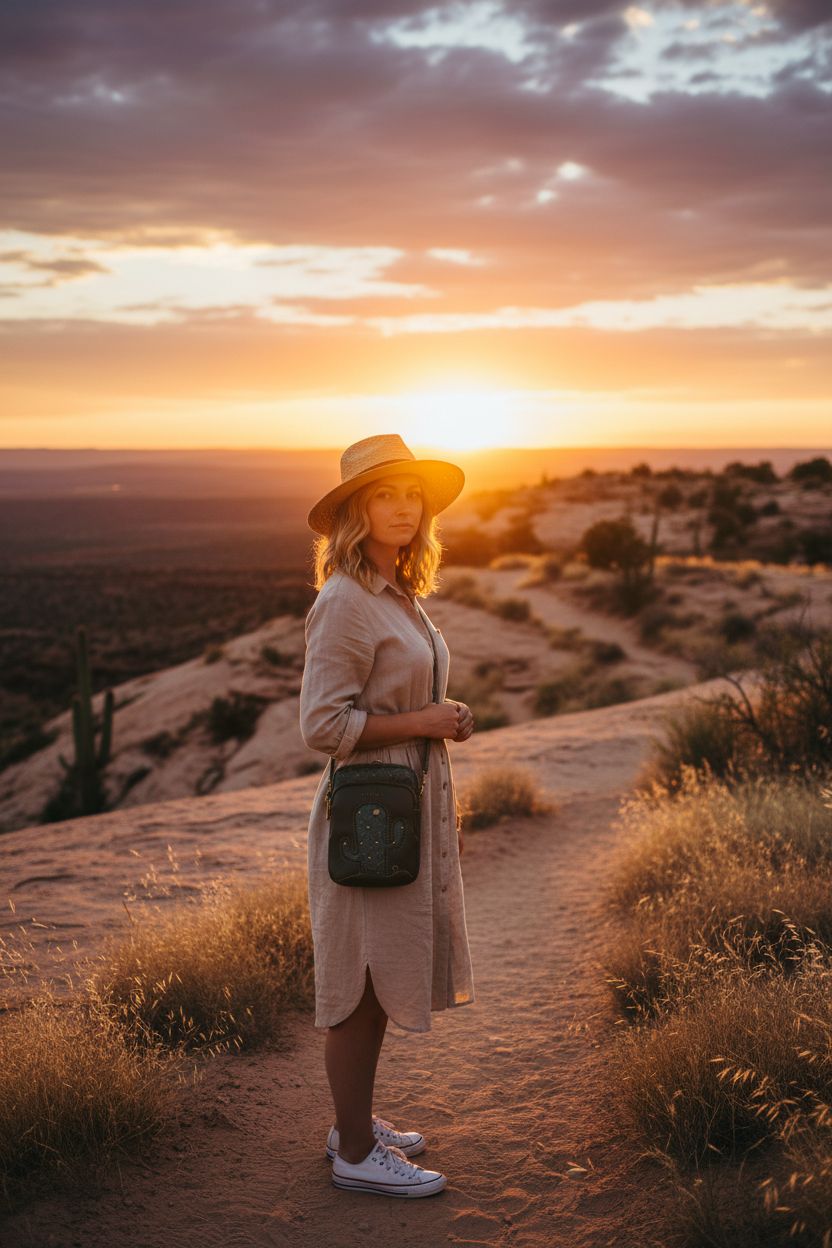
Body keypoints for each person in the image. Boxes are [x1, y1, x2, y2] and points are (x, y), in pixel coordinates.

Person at [299, 432, 476, 1197]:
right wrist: (424, 722)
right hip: (371, 813)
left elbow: (402, 699)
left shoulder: (397, 592)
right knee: (357, 985)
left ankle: (355, 1125)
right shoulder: (344, 601)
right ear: (355, 511)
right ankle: (355, 1155)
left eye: (413, 495)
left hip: (402, 804)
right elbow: (322, 726)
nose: (404, 508)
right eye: (385, 495)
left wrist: (443, 717)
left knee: (375, 974)